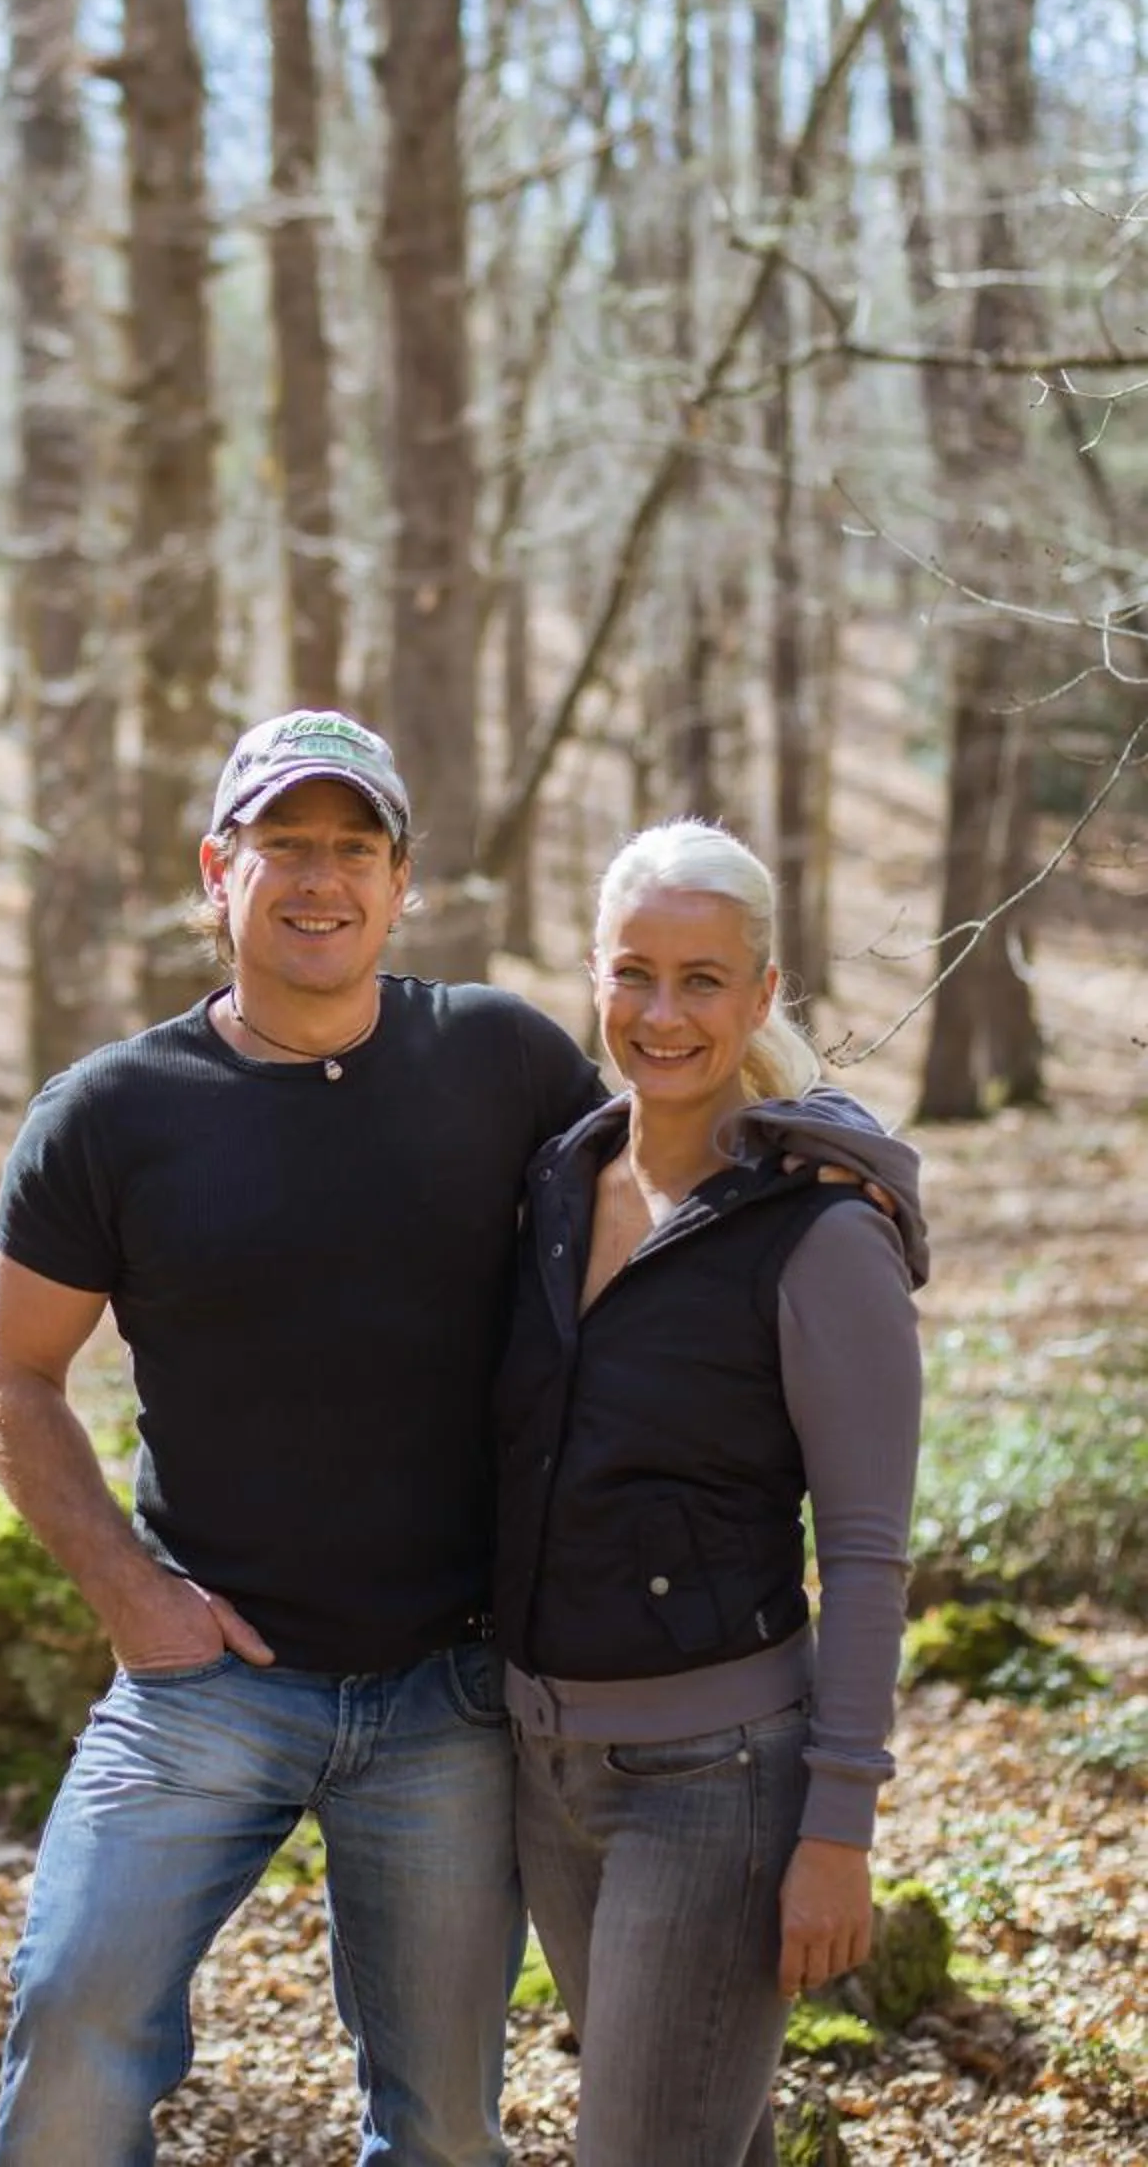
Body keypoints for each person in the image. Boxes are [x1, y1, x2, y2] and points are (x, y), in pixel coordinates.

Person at [0, 708, 608, 2167]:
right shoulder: (113, 1115)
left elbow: (665, 1218)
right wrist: (136, 1601)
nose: (319, 879)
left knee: (444, 2125)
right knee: (74, 2027)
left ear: (401, 883)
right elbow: (11, 1375)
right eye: (284, 846)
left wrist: (829, 1171)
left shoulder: (506, 1064)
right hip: (209, 1680)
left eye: (354, 850)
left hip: (449, 1692)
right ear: (219, 868)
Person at [493, 819, 928, 2167]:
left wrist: (838, 1831)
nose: (662, 1014)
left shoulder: (820, 1231)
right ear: (592, 978)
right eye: (634, 975)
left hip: (717, 1783)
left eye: (701, 980)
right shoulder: (558, 1182)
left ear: (762, 997)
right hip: (539, 1766)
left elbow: (864, 1554)